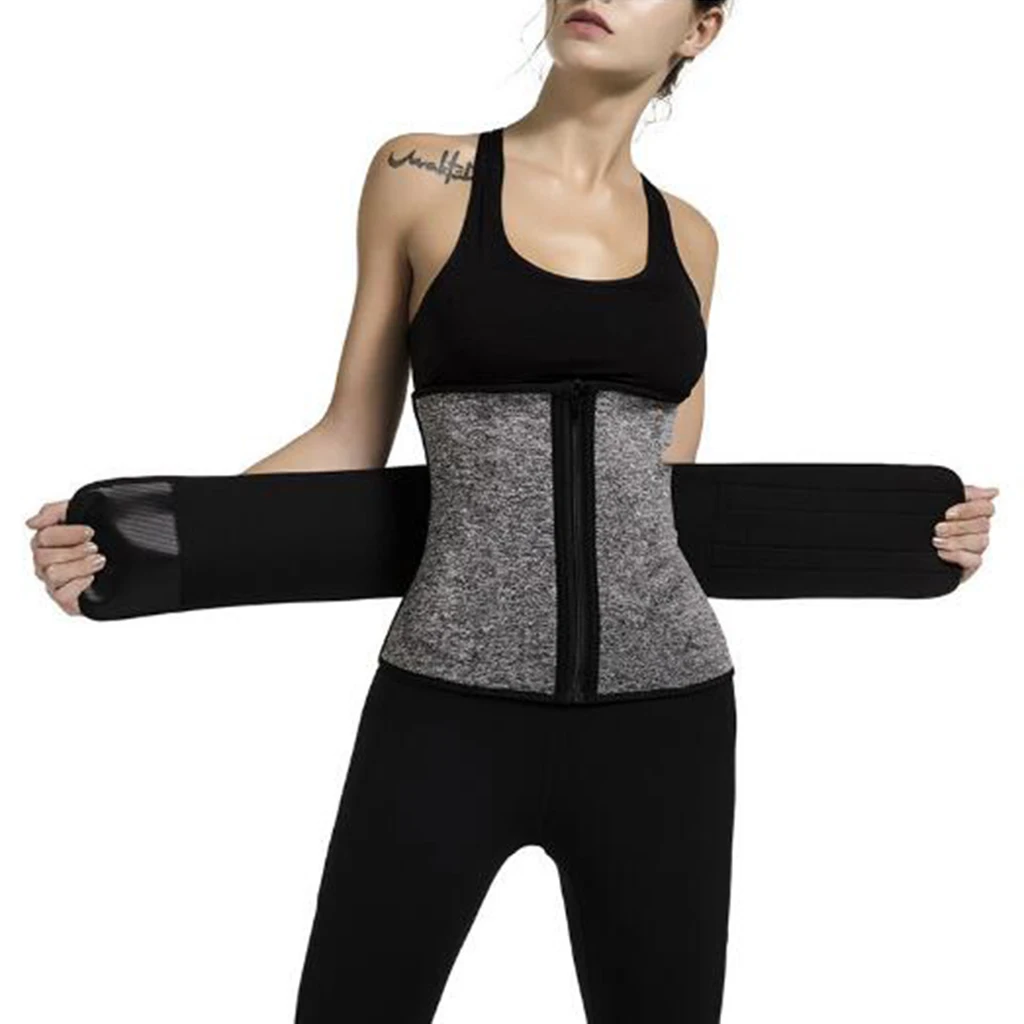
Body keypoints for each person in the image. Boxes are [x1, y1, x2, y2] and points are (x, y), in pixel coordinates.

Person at [24, 1, 999, 1021]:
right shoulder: (422, 174)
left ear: (699, 31)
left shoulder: (691, 238)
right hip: (446, 702)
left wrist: (909, 537)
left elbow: (662, 496)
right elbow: (348, 438)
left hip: (668, 716)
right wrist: (149, 542)